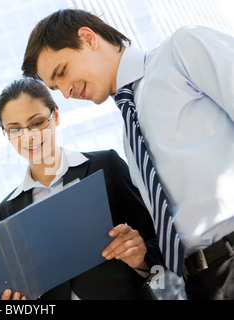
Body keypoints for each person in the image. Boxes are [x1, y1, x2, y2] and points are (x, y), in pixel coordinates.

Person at [20, 9, 234, 299]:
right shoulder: (129, 135)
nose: (66, 93)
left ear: (87, 38)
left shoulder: (181, 51)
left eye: (62, 72)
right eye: (56, 88)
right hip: (199, 284)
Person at [0, 78, 164, 300]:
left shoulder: (105, 166)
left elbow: (159, 240)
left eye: (36, 123)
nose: (29, 136)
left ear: (55, 116)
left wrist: (141, 258)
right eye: (15, 129)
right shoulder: (7, 211)